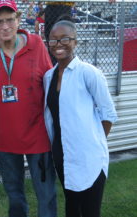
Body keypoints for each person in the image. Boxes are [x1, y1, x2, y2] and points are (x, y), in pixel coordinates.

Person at [0, 0, 57, 217]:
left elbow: (51, 84)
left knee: (46, 194)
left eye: (10, 20)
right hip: (4, 140)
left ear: (19, 19)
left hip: (38, 136)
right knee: (14, 195)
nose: (5, 26)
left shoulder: (37, 45)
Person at [43, 18, 117, 217]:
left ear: (75, 41)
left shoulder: (89, 73)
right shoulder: (48, 77)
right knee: (72, 207)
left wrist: (93, 142)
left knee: (90, 210)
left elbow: (108, 113)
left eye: (65, 38)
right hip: (61, 152)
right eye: (53, 40)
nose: (59, 44)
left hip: (88, 154)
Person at [22, 0, 116, 41]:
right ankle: (52, 59)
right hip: (52, 6)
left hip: (66, 8)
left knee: (65, 34)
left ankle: (60, 61)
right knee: (49, 34)